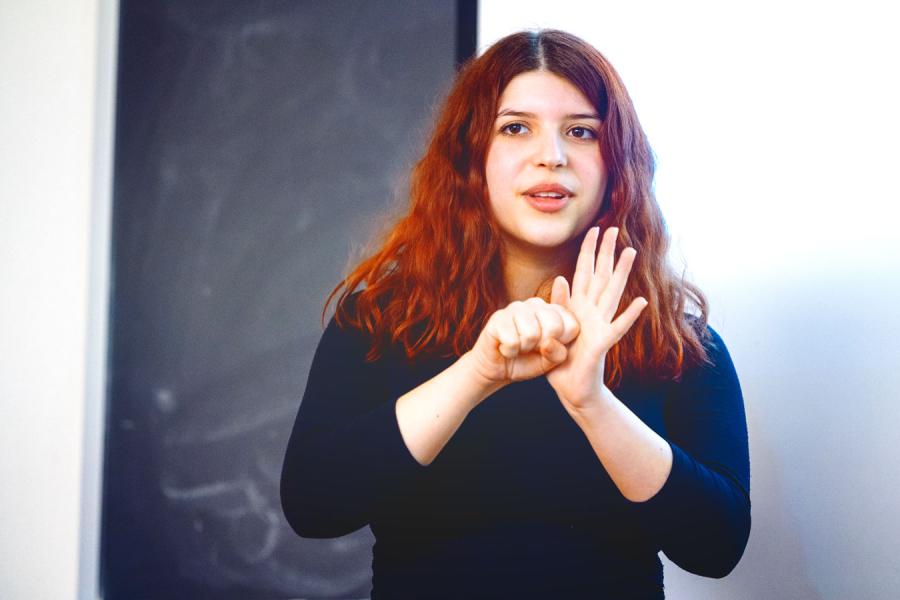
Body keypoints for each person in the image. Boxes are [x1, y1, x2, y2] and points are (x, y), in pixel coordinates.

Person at [280, 29, 750, 599]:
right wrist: (477, 374)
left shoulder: (674, 338)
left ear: (616, 163)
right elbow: (314, 506)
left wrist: (591, 404)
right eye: (515, 127)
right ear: (470, 156)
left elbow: (716, 547)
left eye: (581, 132)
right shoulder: (383, 320)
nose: (551, 156)